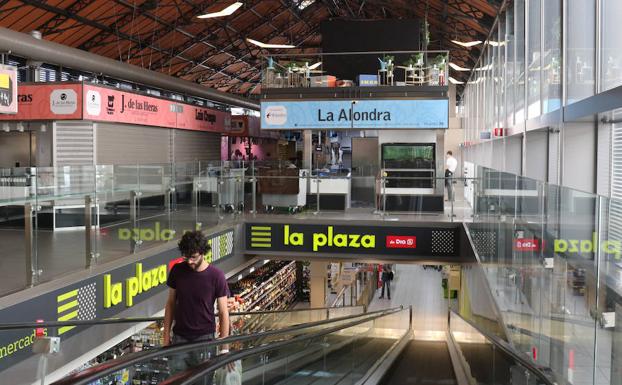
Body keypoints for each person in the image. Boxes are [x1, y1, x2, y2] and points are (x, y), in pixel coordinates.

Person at [163, 230, 230, 381]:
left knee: (203, 381)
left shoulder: (216, 276)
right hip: (179, 338)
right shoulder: (177, 270)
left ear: (202, 252)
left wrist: (225, 347)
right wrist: (166, 336)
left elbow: (223, 312)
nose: (190, 262)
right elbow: (170, 303)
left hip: (205, 340)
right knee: (177, 381)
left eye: (193, 257)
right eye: (186, 257)